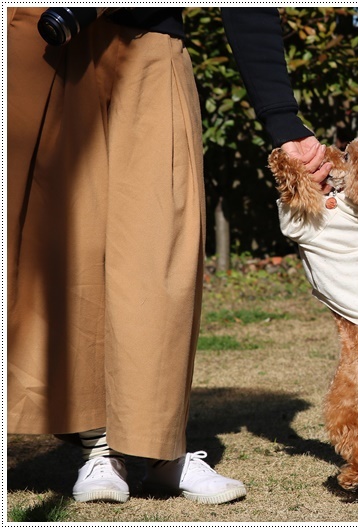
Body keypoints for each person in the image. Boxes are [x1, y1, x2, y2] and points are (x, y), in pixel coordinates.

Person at [7, 7, 330, 505]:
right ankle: (100, 446)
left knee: (159, 249)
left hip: (150, 42)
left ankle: (157, 448)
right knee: (60, 250)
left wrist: (282, 120)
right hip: (37, 38)